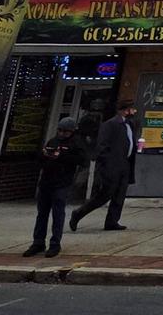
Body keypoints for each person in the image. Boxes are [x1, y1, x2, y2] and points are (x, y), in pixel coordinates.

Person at [69, 101, 138, 233]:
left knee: (119, 195)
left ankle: (112, 221)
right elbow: (102, 146)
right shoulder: (110, 124)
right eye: (131, 109)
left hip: (125, 163)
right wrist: (107, 163)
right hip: (112, 165)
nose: (134, 112)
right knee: (105, 195)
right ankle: (78, 213)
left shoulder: (128, 125)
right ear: (124, 110)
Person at [23, 118, 86, 258]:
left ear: (72, 131)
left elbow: (83, 161)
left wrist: (61, 156)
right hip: (46, 181)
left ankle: (55, 243)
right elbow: (39, 160)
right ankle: (38, 242)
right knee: (42, 214)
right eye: (60, 130)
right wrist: (45, 155)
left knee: (58, 214)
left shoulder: (76, 143)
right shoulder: (53, 141)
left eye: (65, 131)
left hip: (62, 183)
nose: (62, 133)